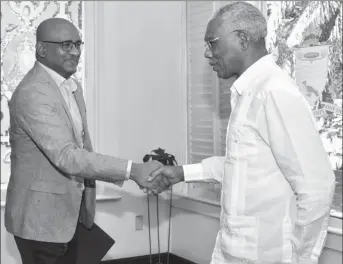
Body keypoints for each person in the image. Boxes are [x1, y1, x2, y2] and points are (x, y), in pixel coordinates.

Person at [148, 2, 336, 264]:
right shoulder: (248, 92)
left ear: (243, 39)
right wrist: (181, 173)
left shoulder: (274, 92)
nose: (206, 53)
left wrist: (300, 259)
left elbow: (317, 186)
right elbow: (242, 167)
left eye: (212, 42)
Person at [5, 17, 166, 264]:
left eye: (78, 44)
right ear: (41, 49)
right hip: (40, 222)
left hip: (69, 217)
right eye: (66, 45)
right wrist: (133, 170)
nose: (75, 52)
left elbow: (82, 146)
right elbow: (68, 156)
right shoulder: (33, 93)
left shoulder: (71, 87)